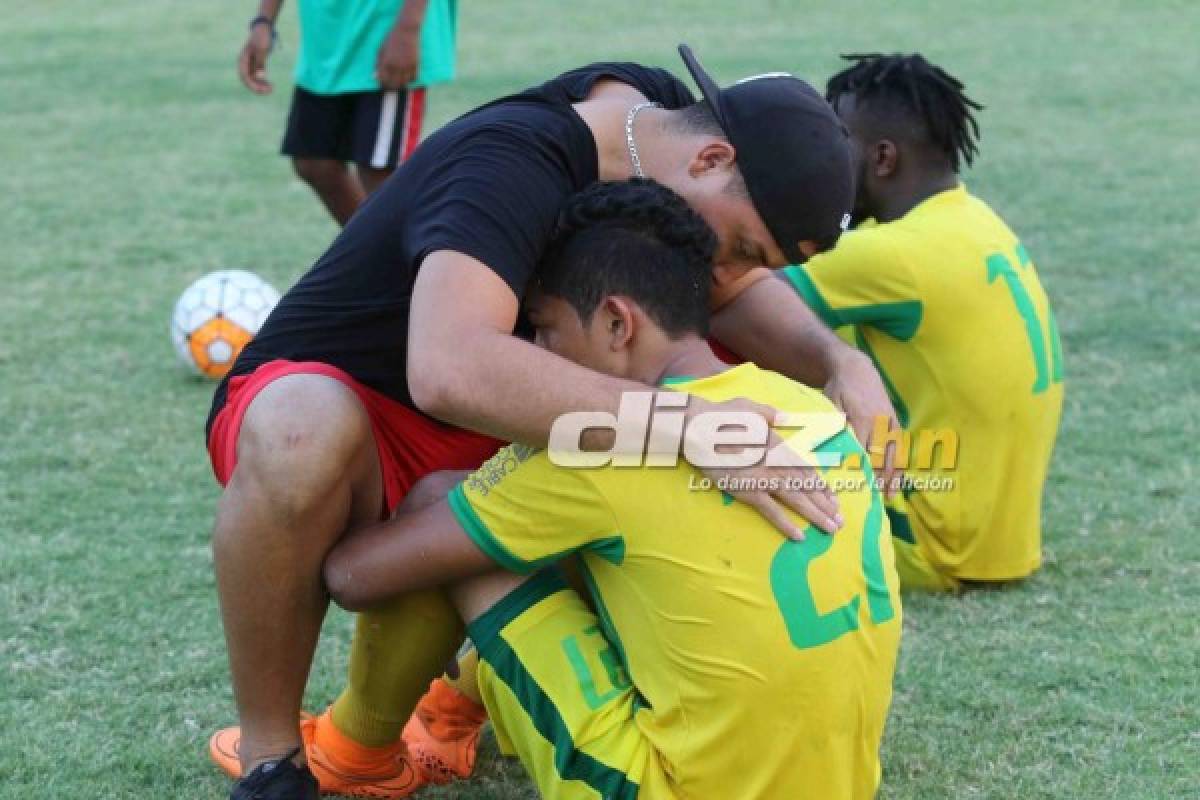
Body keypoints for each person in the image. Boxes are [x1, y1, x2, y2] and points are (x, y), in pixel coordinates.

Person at [205, 46, 898, 800]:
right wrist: (676, 421)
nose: (723, 277)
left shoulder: (654, 121)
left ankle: (449, 709)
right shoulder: (512, 158)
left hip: (510, 400)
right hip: (368, 409)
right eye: (737, 249)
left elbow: (725, 295)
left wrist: (839, 362)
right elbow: (449, 367)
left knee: (637, 415)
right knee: (304, 427)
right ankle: (273, 759)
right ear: (709, 158)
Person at [322, 178, 903, 800]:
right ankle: (452, 710)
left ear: (616, 322)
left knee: (451, 517)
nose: (537, 353)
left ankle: (352, 753)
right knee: (539, 535)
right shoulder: (799, 403)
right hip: (837, 786)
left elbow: (355, 577)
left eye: (543, 329)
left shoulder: (601, 448)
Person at [781, 53, 1064, 591]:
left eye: (836, 142)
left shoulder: (894, 255)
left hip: (932, 548)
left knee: (735, 331)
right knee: (818, 321)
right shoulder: (973, 220)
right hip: (996, 542)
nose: (823, 161)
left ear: (882, 158)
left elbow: (730, 301)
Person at [237, 0, 457, 225]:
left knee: (380, 171)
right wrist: (264, 21)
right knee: (314, 161)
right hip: (326, 36)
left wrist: (408, 28)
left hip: (388, 29)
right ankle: (373, 252)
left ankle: (403, 254)